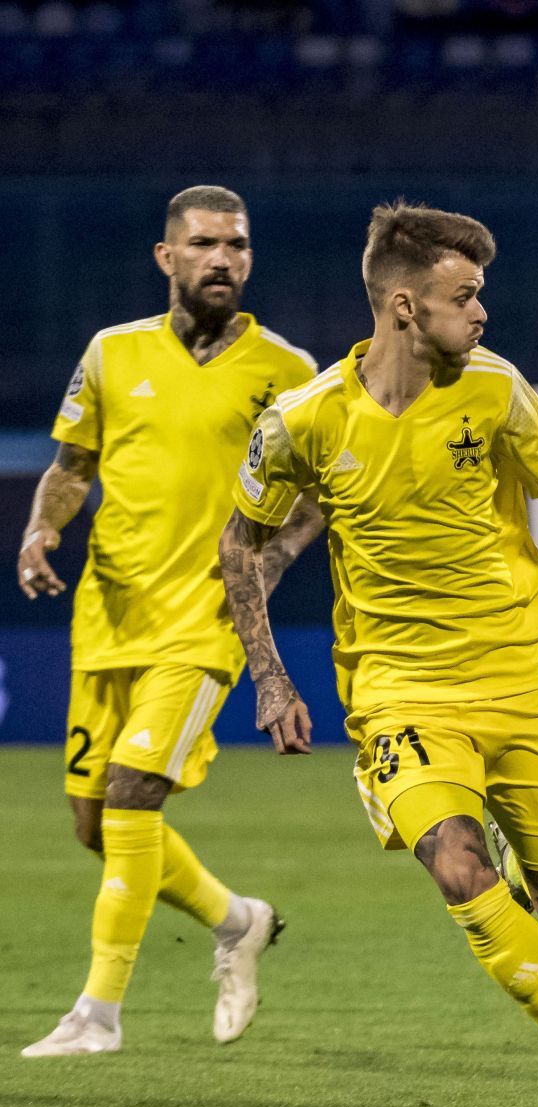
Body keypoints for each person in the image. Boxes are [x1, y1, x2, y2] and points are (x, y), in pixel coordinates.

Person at [217, 202, 538, 1107]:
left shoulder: (497, 388)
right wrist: (267, 675)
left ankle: (527, 887)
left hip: (527, 677)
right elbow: (240, 548)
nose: (481, 314)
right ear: (401, 306)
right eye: (462, 296)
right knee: (459, 868)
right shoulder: (303, 421)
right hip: (399, 692)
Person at [17, 186, 320, 1058]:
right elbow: (73, 465)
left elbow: (323, 493)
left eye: (238, 244)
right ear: (167, 257)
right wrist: (43, 528)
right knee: (95, 826)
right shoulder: (112, 354)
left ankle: (97, 1015)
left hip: (203, 622)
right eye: (204, 244)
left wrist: (272, 559)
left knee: (133, 796)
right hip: (107, 616)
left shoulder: (287, 371)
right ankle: (238, 919)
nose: (223, 258)